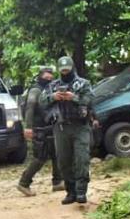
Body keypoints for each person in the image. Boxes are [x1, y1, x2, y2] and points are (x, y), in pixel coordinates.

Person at [40, 56, 94, 204]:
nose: (65, 72)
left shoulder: (83, 83)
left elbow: (90, 100)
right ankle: (71, 192)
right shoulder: (52, 86)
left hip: (80, 126)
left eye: (67, 70)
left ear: (72, 68)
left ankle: (81, 191)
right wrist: (53, 97)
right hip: (61, 127)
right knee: (63, 161)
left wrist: (74, 98)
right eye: (62, 70)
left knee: (82, 159)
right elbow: (42, 102)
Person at [17, 66, 64, 196]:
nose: (49, 76)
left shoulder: (49, 88)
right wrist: (28, 127)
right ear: (40, 75)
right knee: (40, 157)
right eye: (46, 74)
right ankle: (24, 183)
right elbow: (30, 107)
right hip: (39, 128)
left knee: (56, 153)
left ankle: (58, 182)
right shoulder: (36, 90)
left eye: (50, 74)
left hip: (49, 126)